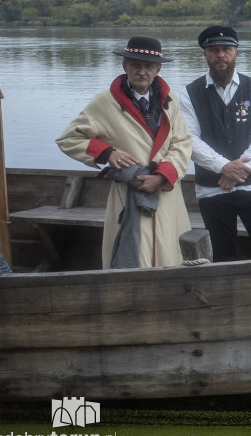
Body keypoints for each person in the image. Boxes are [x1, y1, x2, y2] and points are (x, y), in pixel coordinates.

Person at [56, 35, 192, 269]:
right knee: (133, 259)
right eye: (135, 65)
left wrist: (161, 176)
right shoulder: (104, 103)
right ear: (124, 65)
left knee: (170, 253)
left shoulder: (171, 100)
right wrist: (107, 153)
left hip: (166, 193)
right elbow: (69, 138)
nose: (142, 71)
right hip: (128, 193)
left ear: (158, 69)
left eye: (149, 66)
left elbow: (182, 142)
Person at [179, 25, 251, 261]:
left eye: (226, 49)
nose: (220, 55)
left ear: (236, 52)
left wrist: (238, 170)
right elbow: (189, 138)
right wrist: (223, 167)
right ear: (205, 54)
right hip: (212, 188)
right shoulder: (189, 93)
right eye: (214, 50)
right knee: (219, 255)